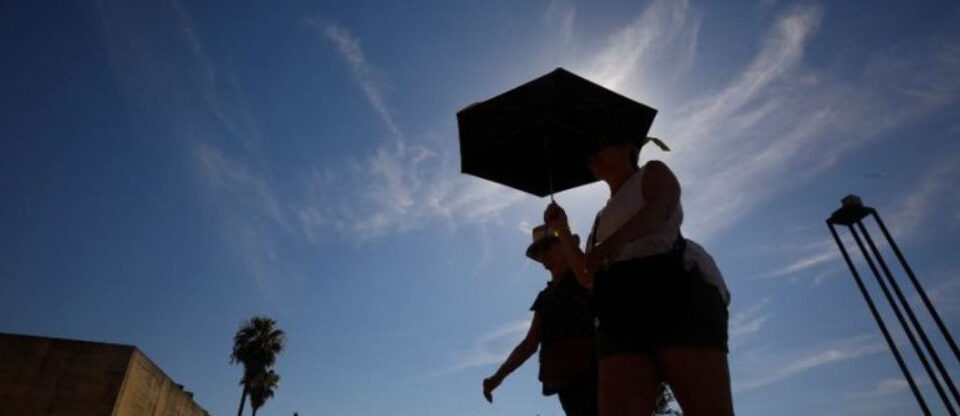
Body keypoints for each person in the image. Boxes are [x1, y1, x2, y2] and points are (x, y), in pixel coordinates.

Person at [543, 134, 733, 416]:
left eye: (600, 145)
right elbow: (587, 277)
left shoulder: (652, 172)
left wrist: (614, 243)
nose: (592, 156)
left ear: (630, 147)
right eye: (589, 152)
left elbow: (660, 208)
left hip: (677, 295)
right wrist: (562, 230)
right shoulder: (600, 219)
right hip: (619, 313)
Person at [483, 224, 598, 416]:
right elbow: (530, 344)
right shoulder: (545, 298)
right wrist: (497, 377)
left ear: (567, 243)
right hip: (567, 381)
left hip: (601, 372)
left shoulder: (589, 278)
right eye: (538, 250)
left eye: (548, 245)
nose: (543, 254)